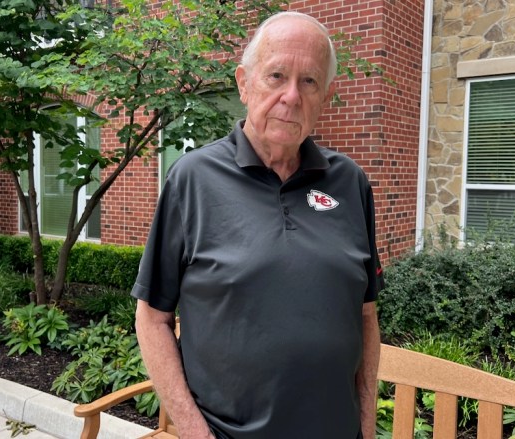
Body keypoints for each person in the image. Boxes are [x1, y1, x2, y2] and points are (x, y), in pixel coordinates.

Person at [132, 11, 384, 439]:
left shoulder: (351, 183)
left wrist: (365, 424)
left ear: (327, 94)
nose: (292, 96)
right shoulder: (192, 179)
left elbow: (366, 315)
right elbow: (152, 319)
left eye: (309, 81)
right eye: (276, 76)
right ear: (243, 83)